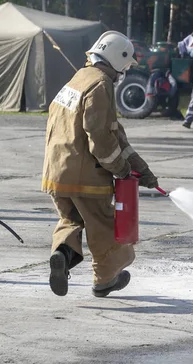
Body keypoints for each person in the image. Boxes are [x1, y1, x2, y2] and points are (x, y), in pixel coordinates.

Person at [41, 30, 159, 298]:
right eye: (124, 67)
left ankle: (61, 254)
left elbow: (115, 134)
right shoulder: (101, 84)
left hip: (56, 172)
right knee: (103, 226)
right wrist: (123, 170)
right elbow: (101, 139)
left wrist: (144, 172)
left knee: (71, 219)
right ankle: (105, 279)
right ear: (117, 60)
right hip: (85, 176)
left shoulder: (78, 79)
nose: (122, 74)